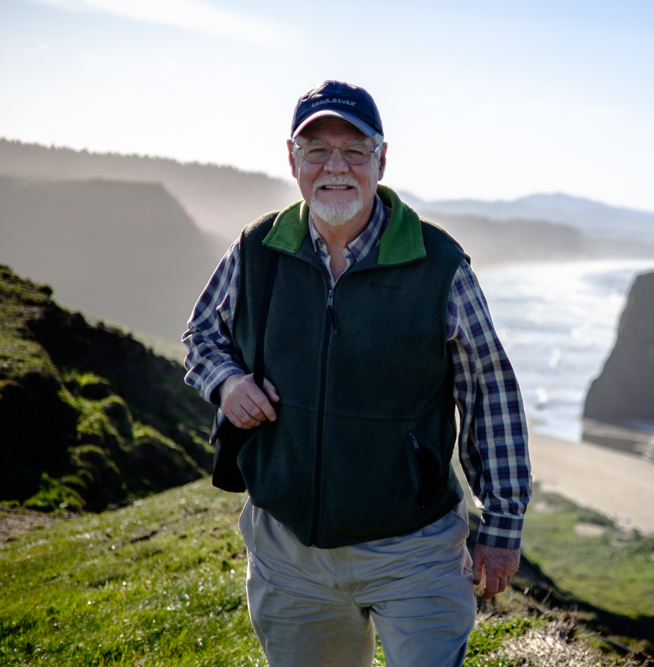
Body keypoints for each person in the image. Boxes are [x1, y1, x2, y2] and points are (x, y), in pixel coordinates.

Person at [182, 80, 531, 666]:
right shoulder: (256, 248)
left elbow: (489, 393)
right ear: (292, 159)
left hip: (415, 550)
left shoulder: (439, 264)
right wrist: (228, 382)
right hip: (287, 554)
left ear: (381, 159)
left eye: (354, 150)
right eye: (317, 150)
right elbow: (201, 336)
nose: (336, 167)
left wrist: (502, 525)